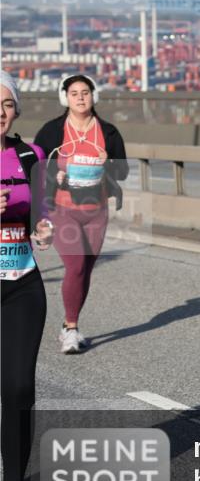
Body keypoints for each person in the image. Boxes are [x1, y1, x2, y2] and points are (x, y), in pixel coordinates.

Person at [34, 74, 128, 353]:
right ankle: (71, 329)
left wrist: (107, 163)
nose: (80, 97)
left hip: (96, 211)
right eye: (74, 93)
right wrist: (56, 176)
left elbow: (122, 171)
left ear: (93, 96)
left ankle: (69, 322)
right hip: (63, 210)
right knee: (75, 266)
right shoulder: (52, 131)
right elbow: (37, 169)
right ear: (65, 98)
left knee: (85, 269)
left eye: (85, 92)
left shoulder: (108, 132)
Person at [0, 71, 53, 481]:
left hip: (21, 284)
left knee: (18, 388)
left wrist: (44, 226)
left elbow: (43, 209)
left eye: (6, 103)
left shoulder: (28, 155)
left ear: (16, 109)